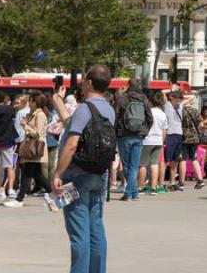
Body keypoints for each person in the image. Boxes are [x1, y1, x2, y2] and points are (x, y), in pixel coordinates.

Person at [54, 66, 116, 273]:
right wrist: (58, 102)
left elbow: (71, 144)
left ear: (89, 83)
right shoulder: (109, 109)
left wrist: (57, 174)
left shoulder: (84, 108)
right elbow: (71, 125)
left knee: (78, 232)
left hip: (74, 176)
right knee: (96, 227)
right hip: (99, 175)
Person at [8, 91, 52, 208]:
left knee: (27, 173)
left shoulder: (40, 115)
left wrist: (25, 126)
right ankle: (53, 192)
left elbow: (37, 133)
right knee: (37, 175)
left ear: (34, 102)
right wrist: (25, 124)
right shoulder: (33, 114)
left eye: (31, 100)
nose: (29, 103)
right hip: (32, 148)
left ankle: (19, 199)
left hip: (35, 148)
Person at [112, 80, 151, 201]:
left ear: (128, 86)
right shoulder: (144, 99)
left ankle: (129, 192)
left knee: (126, 165)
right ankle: (134, 192)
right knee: (134, 165)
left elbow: (115, 116)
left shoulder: (122, 98)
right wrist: (144, 131)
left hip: (124, 135)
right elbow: (150, 118)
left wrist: (115, 131)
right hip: (138, 136)